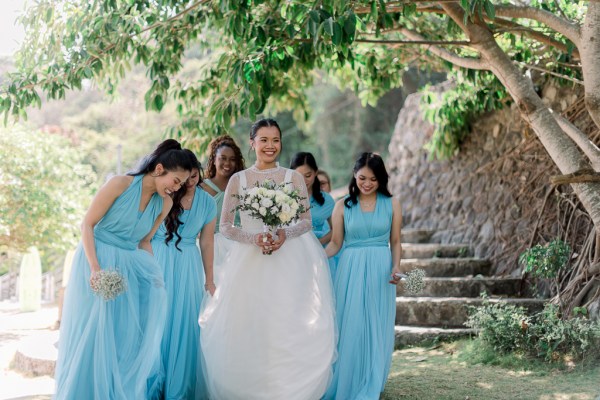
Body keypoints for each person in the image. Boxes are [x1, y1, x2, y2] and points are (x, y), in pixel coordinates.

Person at [199, 118, 336, 400]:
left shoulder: (293, 178)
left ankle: (286, 391)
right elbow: (225, 226)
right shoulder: (239, 179)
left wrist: (284, 233)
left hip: (290, 260)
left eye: (275, 140)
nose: (270, 146)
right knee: (250, 326)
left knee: (287, 324)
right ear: (252, 143)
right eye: (263, 140)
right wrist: (254, 238)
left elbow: (306, 221)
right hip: (248, 263)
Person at [54, 139, 194, 400]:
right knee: (94, 333)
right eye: (175, 181)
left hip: (130, 267)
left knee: (123, 336)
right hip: (98, 259)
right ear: (160, 168)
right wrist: (95, 269)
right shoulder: (120, 184)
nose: (176, 188)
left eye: (180, 185)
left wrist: (155, 276)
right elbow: (88, 224)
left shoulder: (164, 204)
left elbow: (144, 242)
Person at [323, 152, 403, 400]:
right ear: (354, 177)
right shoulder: (342, 205)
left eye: (373, 179)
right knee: (351, 322)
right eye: (362, 178)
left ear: (381, 179)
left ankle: (371, 377)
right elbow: (336, 243)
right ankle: (349, 376)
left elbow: (397, 241)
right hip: (351, 268)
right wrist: (314, 259)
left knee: (376, 323)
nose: (367, 184)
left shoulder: (392, 204)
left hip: (381, 269)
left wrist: (396, 267)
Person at [147, 150, 217, 400]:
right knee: (157, 322)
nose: (189, 182)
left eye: (194, 176)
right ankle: (150, 389)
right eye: (185, 178)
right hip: (157, 258)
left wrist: (209, 279)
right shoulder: (164, 195)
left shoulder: (208, 203)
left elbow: (207, 242)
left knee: (185, 323)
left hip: (188, 264)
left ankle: (179, 390)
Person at [290, 152, 337, 277]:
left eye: (308, 175)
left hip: (318, 253)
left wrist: (318, 243)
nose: (304, 181)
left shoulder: (327, 200)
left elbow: (336, 229)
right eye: (299, 176)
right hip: (291, 253)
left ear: (316, 173)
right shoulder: (284, 197)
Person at [200, 135, 245, 265]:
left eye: (232, 159)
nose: (227, 163)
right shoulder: (202, 188)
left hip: (237, 248)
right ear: (214, 160)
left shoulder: (242, 187)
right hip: (210, 248)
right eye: (223, 158)